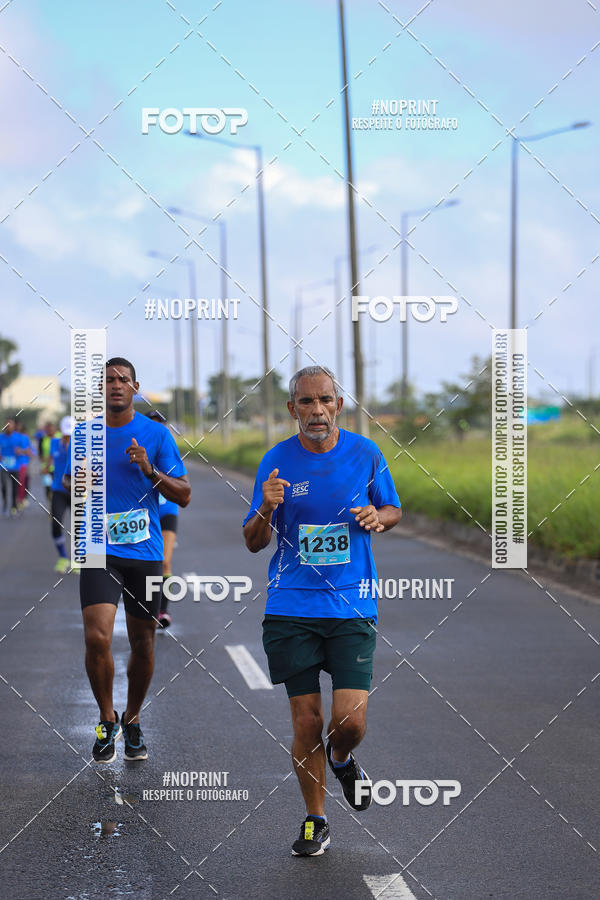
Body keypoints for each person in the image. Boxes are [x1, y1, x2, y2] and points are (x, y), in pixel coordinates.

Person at [243, 365, 402, 857]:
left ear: (339, 405)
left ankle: (341, 757)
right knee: (306, 721)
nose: (317, 410)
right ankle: (316, 819)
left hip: (352, 604)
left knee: (349, 722)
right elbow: (253, 541)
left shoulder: (366, 453)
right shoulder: (275, 461)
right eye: (307, 402)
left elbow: (393, 508)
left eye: (325, 400)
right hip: (291, 606)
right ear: (292, 408)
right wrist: (266, 507)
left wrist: (378, 516)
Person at [63, 358, 191, 763]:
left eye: (123, 380)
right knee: (97, 637)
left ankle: (132, 718)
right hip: (98, 551)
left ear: (135, 387)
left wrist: (150, 469)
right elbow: (67, 482)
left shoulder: (156, 434)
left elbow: (184, 494)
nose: (115, 385)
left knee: (143, 642)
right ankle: (107, 718)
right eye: (107, 380)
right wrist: (79, 481)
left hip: (145, 553)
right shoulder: (84, 435)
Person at [146, 411, 180, 629]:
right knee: (147, 563)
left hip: (167, 509)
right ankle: (145, 608)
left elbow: (181, 483)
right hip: (144, 513)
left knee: (165, 561)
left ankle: (162, 611)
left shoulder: (169, 450)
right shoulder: (137, 450)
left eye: (160, 426)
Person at [48, 417, 73, 574]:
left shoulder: (82, 445)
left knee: (80, 528)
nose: (67, 437)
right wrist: (46, 467)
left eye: (70, 435)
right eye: (66, 434)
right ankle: (63, 557)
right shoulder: (54, 443)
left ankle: (79, 559)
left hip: (78, 492)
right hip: (58, 490)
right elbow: (51, 459)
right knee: (56, 523)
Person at [0, 419, 20, 516]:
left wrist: (20, 451)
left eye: (10, 426)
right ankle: (5, 504)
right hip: (3, 466)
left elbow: (28, 450)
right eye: (7, 426)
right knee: (4, 485)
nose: (8, 427)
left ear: (13, 427)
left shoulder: (18, 437)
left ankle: (14, 506)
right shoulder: (1, 437)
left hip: (15, 466)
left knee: (14, 487)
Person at [15, 422, 33, 509]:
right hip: (13, 464)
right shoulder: (11, 437)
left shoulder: (25, 437)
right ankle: (17, 500)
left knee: (23, 482)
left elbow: (30, 452)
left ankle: (21, 499)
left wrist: (21, 451)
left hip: (23, 463)